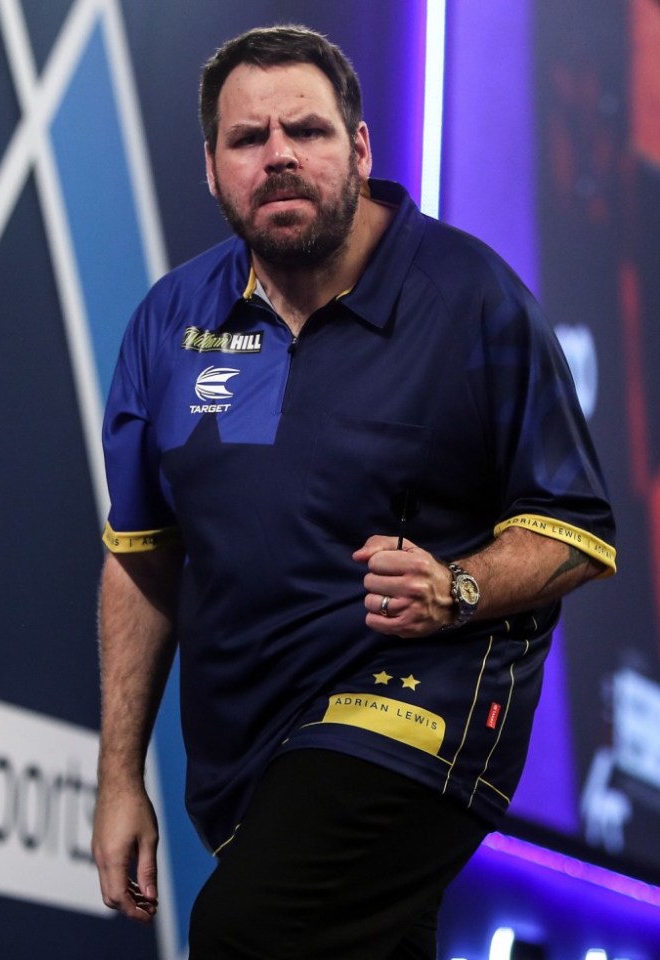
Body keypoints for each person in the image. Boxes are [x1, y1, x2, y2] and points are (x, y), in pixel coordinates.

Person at [91, 23, 616, 959]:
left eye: (310, 131)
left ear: (361, 149)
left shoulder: (471, 297)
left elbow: (575, 526)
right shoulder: (170, 324)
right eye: (248, 141)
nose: (280, 156)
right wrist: (118, 775)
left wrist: (456, 587)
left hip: (427, 699)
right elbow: (141, 559)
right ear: (212, 170)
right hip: (253, 745)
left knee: (246, 930)